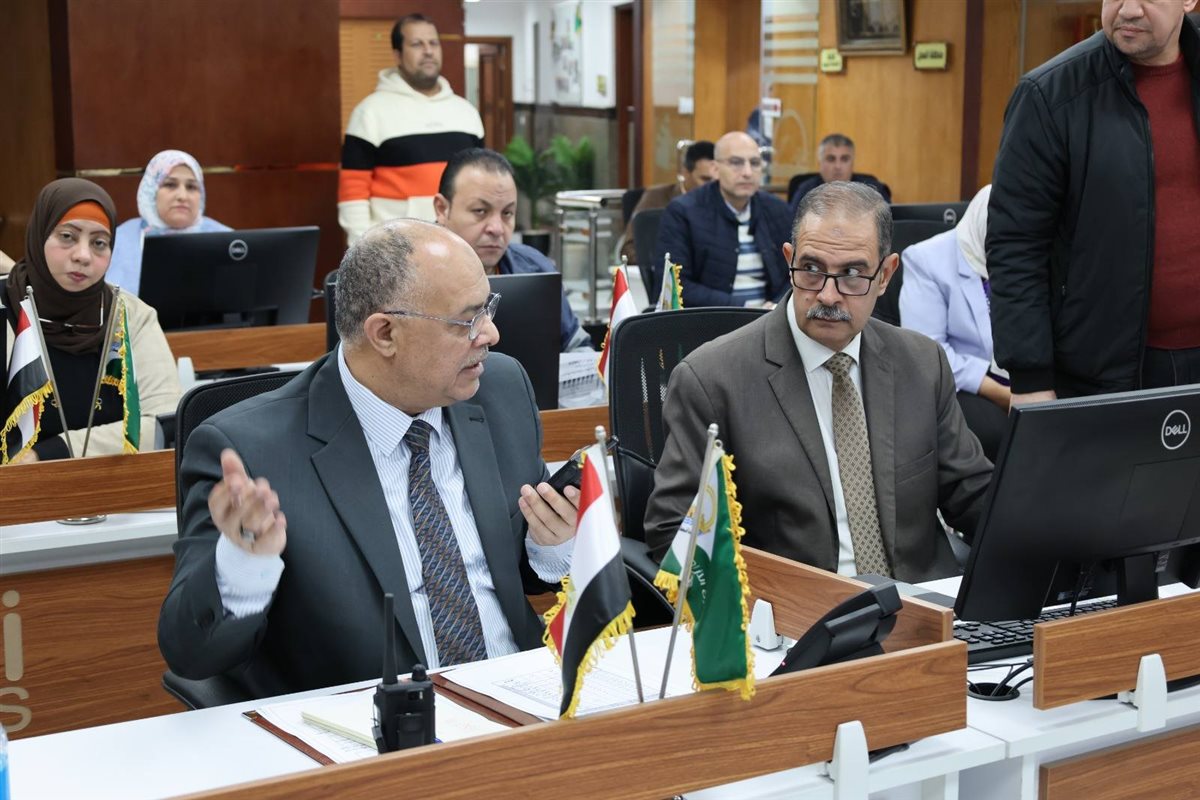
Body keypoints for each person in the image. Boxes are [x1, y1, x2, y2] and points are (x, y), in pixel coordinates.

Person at [158, 219, 580, 696]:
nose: (492, 333)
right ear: (384, 333)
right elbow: (192, 655)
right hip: (370, 718)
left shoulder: (501, 390)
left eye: (489, 308)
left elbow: (516, 572)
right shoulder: (250, 451)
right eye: (467, 320)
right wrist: (243, 565)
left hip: (523, 694)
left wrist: (552, 543)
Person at [644, 182, 992, 583]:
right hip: (796, 609)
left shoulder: (921, 362)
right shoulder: (711, 379)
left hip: (924, 604)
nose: (828, 295)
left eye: (852, 274)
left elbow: (972, 494)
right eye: (811, 269)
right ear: (789, 260)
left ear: (885, 275)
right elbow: (674, 533)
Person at [988, 1, 1200, 402]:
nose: (1128, 10)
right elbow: (1015, 246)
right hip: (1102, 373)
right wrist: (1031, 380)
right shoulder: (1050, 96)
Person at [2, 178, 181, 463]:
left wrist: (51, 452)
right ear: (40, 235)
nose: (83, 256)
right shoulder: (6, 308)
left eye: (99, 243)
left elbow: (165, 423)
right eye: (67, 237)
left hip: (113, 486)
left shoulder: (131, 315)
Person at [338, 13, 484, 245]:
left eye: (433, 43)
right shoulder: (369, 113)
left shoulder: (466, 112)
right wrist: (363, 249)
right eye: (417, 44)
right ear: (397, 55)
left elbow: (480, 183)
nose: (428, 51)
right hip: (393, 250)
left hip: (457, 247)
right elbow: (352, 193)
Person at [434, 148, 592, 352]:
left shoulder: (536, 270)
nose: (497, 229)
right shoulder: (410, 276)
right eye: (480, 211)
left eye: (507, 213)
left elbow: (578, 348)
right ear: (442, 209)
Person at [899, 185, 1008, 462]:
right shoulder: (926, 259)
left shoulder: (1028, 258)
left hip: (1017, 374)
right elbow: (928, 352)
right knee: (996, 432)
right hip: (962, 381)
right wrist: (1001, 393)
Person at [654, 131, 792, 308]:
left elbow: (795, 274)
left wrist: (777, 306)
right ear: (715, 169)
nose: (747, 172)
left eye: (755, 163)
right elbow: (675, 286)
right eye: (736, 163)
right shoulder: (683, 212)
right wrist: (743, 308)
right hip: (714, 317)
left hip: (769, 316)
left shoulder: (777, 209)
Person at [108, 150, 231, 296]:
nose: (182, 196)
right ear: (151, 190)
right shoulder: (118, 241)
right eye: (170, 185)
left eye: (191, 187)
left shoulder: (227, 240)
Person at [618, 140, 716, 266]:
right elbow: (628, 250)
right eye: (705, 179)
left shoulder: (724, 202)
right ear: (685, 173)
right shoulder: (656, 198)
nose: (712, 186)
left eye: (717, 180)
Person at [788, 134, 892, 217]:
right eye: (831, 159)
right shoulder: (805, 191)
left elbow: (889, 227)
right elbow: (791, 226)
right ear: (819, 163)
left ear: (852, 163)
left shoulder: (873, 190)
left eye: (844, 159)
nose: (838, 166)